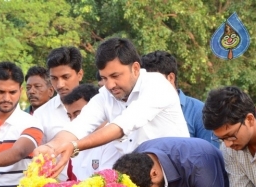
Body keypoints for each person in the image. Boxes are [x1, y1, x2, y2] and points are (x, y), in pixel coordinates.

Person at [34, 37, 189, 179]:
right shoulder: (106, 95)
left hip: (176, 180)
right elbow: (79, 125)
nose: (110, 85)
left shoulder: (156, 84)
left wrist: (74, 146)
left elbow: (121, 126)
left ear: (135, 68)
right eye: (104, 78)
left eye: (115, 76)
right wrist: (51, 147)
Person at [141, 51, 218, 147]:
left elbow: (210, 153)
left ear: (170, 78)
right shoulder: (141, 112)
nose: (147, 87)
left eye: (152, 82)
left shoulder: (199, 111)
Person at [33, 46, 84, 180]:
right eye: (54, 78)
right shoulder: (41, 115)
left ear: (80, 74)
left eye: (65, 77)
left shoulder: (99, 108)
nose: (60, 84)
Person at [62, 83, 121, 180]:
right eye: (70, 116)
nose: (74, 120)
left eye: (78, 114)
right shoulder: (75, 140)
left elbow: (107, 182)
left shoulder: (113, 140)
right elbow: (71, 179)